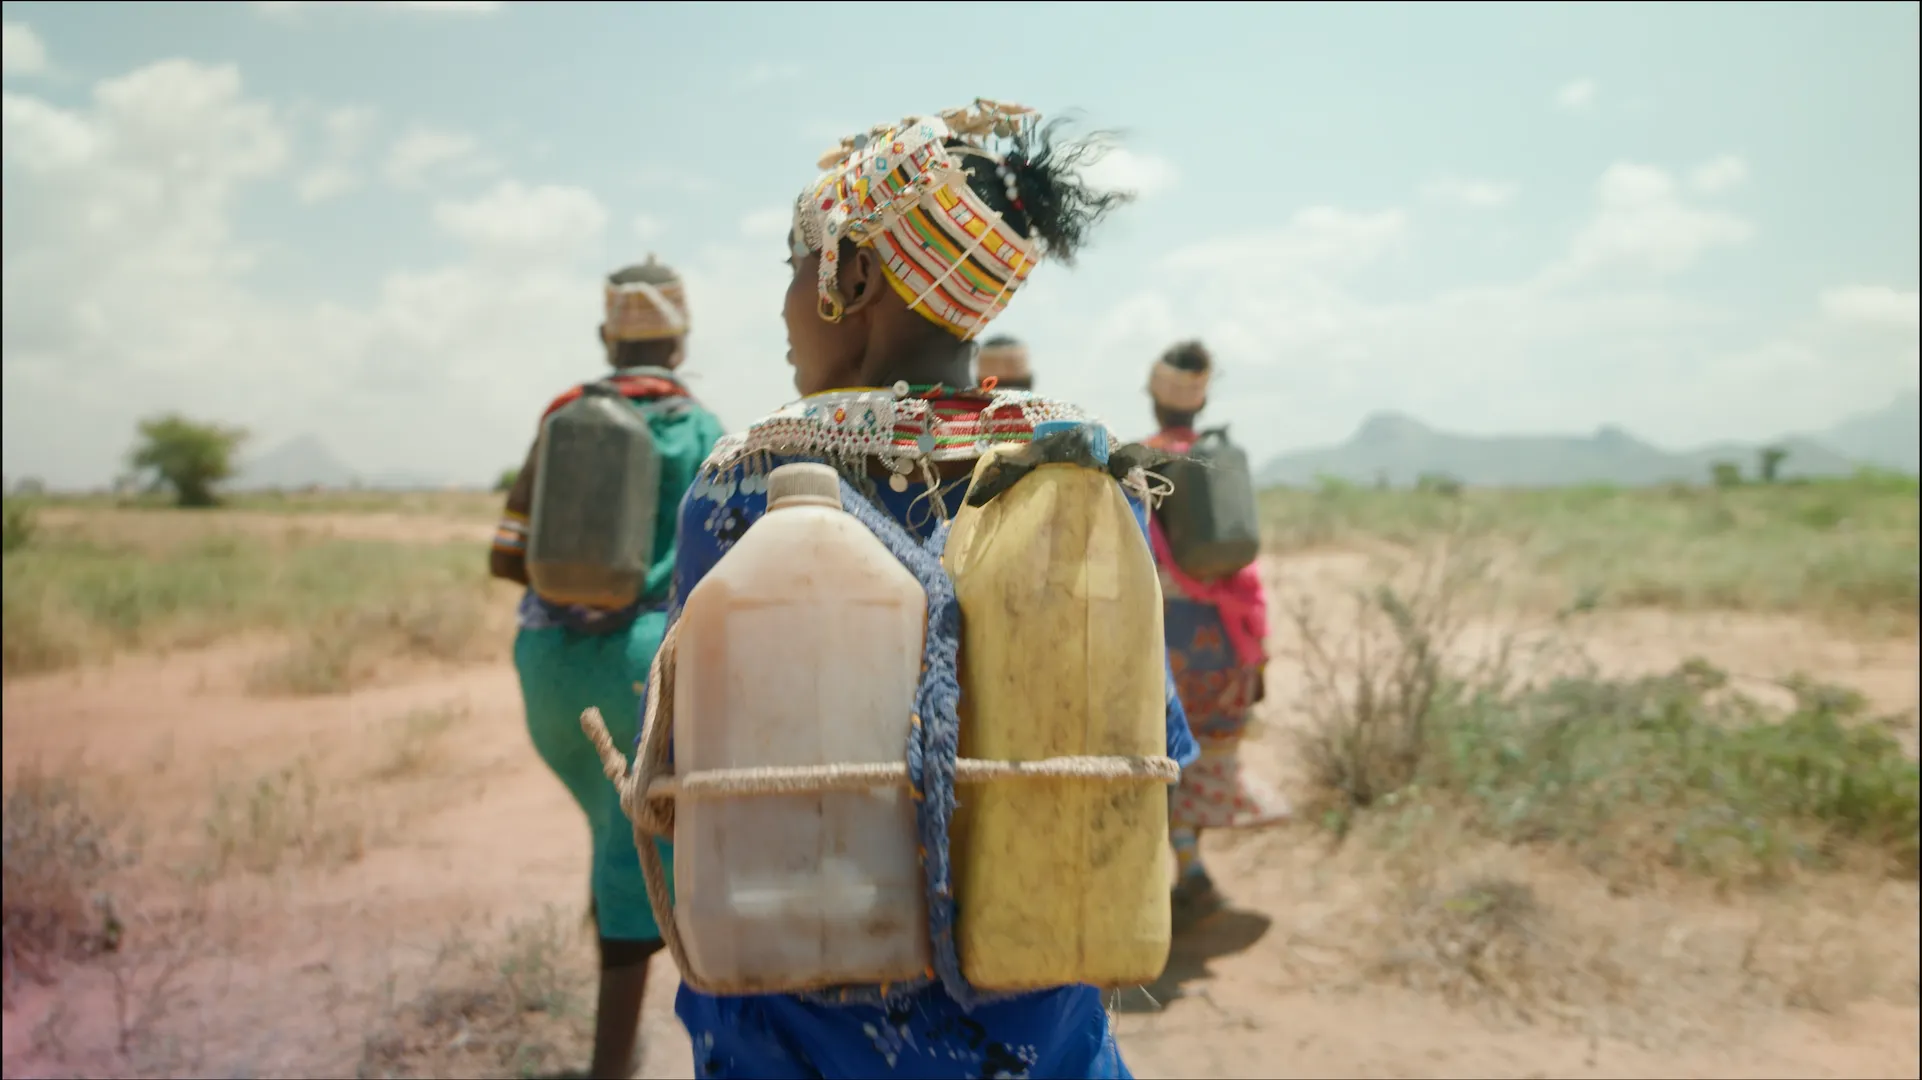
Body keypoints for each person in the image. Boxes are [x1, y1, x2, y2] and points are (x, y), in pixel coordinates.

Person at [654, 99, 1199, 1079]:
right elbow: (1146, 754)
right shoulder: (1082, 485)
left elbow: (692, 778)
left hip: (797, 1038)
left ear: (849, 276)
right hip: (1035, 1042)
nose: (782, 305)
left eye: (794, 264)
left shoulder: (741, 490)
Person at [489, 256, 727, 1080]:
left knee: (611, 833)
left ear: (604, 336)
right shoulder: (703, 430)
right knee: (641, 856)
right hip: (638, 670)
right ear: (682, 339)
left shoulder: (565, 415)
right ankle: (609, 1069)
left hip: (548, 666)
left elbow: (506, 555)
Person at [1140, 340, 1291, 930]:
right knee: (1200, 761)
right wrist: (1258, 655)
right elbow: (1245, 576)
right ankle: (1190, 869)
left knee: (1161, 762)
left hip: (1164, 643)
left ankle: (1183, 872)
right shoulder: (1218, 461)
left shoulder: (1138, 462)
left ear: (1154, 398)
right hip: (1223, 643)